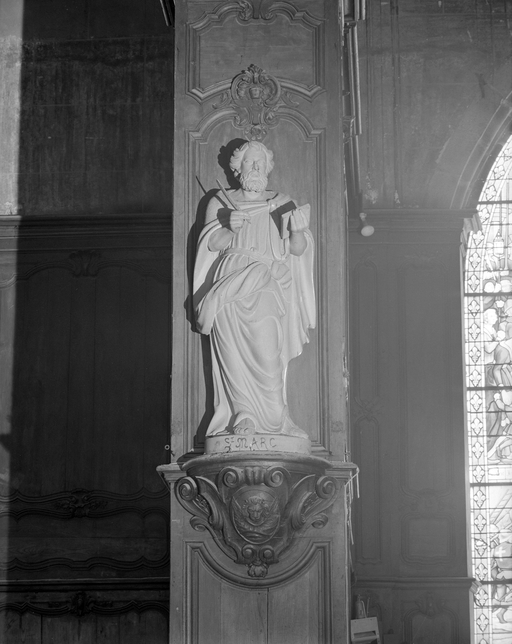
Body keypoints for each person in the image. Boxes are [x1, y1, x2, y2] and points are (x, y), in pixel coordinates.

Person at [193, 141, 315, 437]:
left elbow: (297, 249)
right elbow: (211, 244)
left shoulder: (282, 202)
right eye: (250, 161)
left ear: (268, 168)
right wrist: (228, 227)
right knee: (231, 350)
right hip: (230, 279)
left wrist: (298, 231)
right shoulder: (220, 201)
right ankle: (242, 412)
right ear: (238, 168)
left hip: (266, 280)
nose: (256, 167)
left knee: (268, 349)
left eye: (261, 162)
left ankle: (278, 418)